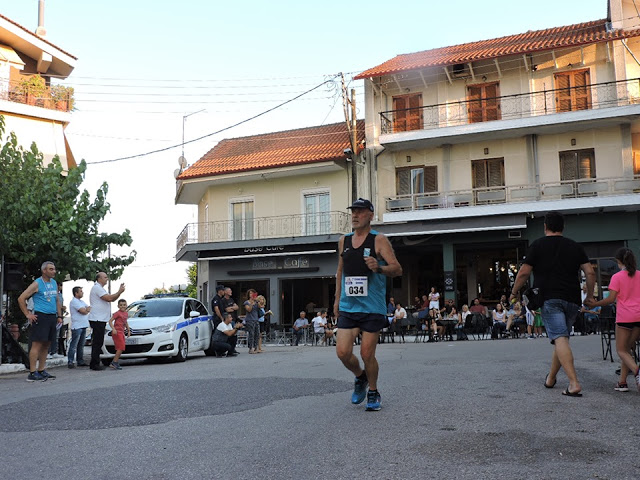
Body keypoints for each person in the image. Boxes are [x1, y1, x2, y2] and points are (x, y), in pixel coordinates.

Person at [510, 211, 595, 397]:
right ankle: (551, 379)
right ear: (563, 227)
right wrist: (589, 295)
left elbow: (524, 272)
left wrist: (514, 292)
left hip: (550, 299)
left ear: (545, 226)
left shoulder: (538, 245)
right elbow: (590, 272)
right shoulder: (575, 246)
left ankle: (574, 383)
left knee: (560, 338)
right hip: (572, 300)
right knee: (561, 338)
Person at [334, 198, 402, 411]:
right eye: (353, 212)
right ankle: (360, 377)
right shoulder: (343, 240)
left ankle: (373, 391)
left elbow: (397, 269)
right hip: (348, 305)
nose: (355, 216)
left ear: (370, 215)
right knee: (343, 352)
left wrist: (379, 268)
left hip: (372, 306)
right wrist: (336, 300)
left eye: (360, 212)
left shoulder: (379, 240)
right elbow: (340, 271)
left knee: (366, 353)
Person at [586, 247, 640, 393]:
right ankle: (622, 382)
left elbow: (610, 299)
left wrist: (594, 304)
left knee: (621, 350)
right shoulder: (639, 275)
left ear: (619, 261)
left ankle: (637, 371)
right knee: (628, 350)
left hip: (625, 317)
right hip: (638, 316)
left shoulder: (617, 277)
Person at [18, 261, 63, 382]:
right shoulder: (37, 283)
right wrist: (28, 314)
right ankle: (32, 372)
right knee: (36, 344)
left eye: (54, 269)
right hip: (40, 316)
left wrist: (59, 316)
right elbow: (21, 298)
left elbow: (57, 300)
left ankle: (41, 370)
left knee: (46, 344)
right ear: (44, 270)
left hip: (51, 317)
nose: (54, 271)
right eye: (51, 269)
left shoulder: (54, 283)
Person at [88, 272, 125, 371]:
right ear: (99, 279)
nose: (107, 279)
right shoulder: (97, 288)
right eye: (105, 277)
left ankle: (95, 362)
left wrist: (118, 293)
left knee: (99, 341)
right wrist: (119, 292)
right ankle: (94, 364)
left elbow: (112, 299)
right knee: (97, 342)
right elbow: (109, 298)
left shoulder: (101, 288)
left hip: (101, 318)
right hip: (97, 318)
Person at [68, 286, 91, 368]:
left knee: (81, 345)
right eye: (80, 291)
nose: (82, 292)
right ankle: (70, 361)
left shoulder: (81, 302)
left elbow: (88, 308)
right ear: (76, 293)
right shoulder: (74, 302)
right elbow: (83, 311)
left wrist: (87, 309)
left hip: (84, 325)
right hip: (77, 326)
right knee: (74, 345)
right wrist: (86, 310)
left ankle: (80, 361)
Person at [108, 299, 130, 370]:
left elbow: (125, 322)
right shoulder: (117, 313)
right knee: (120, 347)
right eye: (121, 305)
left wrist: (128, 330)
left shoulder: (126, 313)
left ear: (126, 305)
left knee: (121, 347)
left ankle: (115, 361)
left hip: (122, 332)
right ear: (118, 306)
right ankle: (114, 362)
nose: (122, 306)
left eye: (124, 305)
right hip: (117, 332)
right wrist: (113, 329)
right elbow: (110, 321)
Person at [243, 288, 260, 354]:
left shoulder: (256, 302)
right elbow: (249, 310)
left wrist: (258, 301)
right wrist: (251, 303)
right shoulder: (246, 302)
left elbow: (261, 307)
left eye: (253, 293)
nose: (251, 294)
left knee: (257, 334)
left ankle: (255, 347)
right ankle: (251, 348)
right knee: (251, 334)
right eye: (250, 293)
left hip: (256, 319)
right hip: (250, 320)